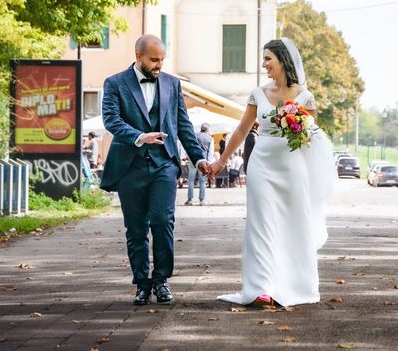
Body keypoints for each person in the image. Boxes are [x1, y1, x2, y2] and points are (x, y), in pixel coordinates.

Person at [210, 38, 336, 307]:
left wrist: (298, 128)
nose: (264, 64)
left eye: (268, 59)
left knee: (293, 224)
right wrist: (221, 162)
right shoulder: (258, 94)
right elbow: (242, 130)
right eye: (264, 58)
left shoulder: (305, 97)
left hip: (292, 167)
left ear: (283, 61)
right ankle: (261, 287)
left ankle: (295, 284)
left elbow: (313, 137)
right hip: (262, 164)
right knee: (261, 224)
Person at [100, 34, 208, 306]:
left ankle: (161, 280)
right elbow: (111, 119)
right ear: (138, 56)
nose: (160, 64)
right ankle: (141, 283)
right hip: (129, 167)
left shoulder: (172, 84)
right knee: (135, 228)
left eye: (162, 59)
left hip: (164, 164)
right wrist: (139, 136)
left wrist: (198, 159)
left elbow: (183, 125)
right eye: (154, 59)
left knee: (162, 221)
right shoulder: (114, 83)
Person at [185, 123, 214, 206]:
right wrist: (209, 162)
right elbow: (210, 152)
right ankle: (202, 200)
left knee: (190, 180)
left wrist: (188, 157)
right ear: (208, 130)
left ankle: (190, 200)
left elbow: (190, 147)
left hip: (193, 160)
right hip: (204, 162)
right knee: (202, 181)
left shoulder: (195, 135)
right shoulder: (210, 138)